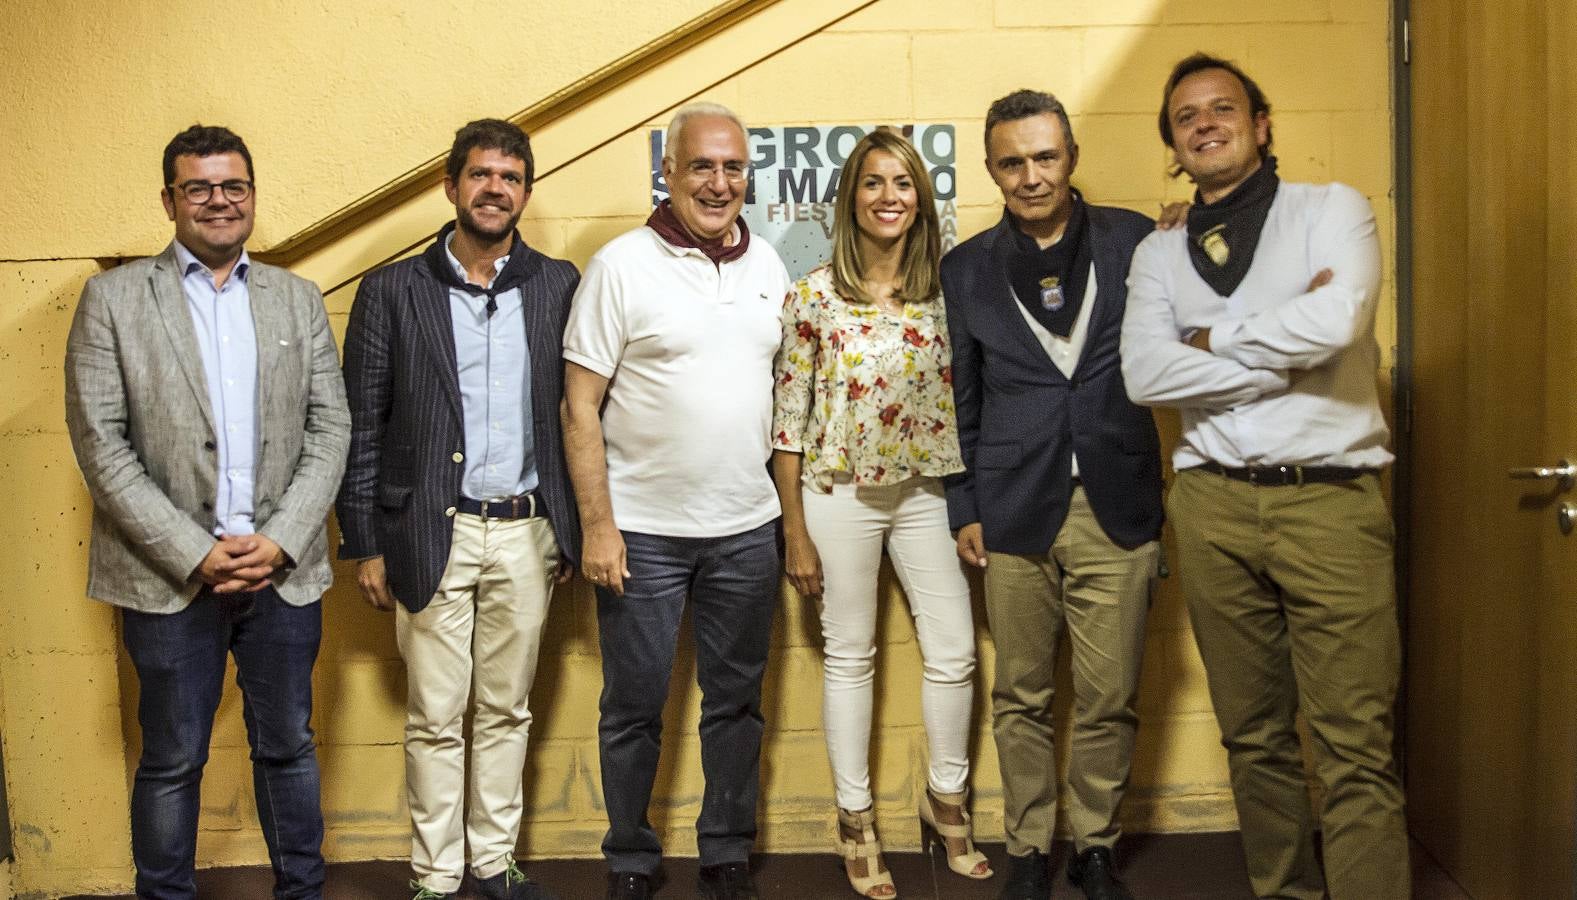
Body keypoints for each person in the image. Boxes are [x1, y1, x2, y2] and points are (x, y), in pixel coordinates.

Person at [1120, 54, 1408, 900]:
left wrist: (1206, 344)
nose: (1204, 123)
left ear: (1260, 124)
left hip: (1329, 503)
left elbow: (1339, 320)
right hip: (1209, 503)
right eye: (1185, 117)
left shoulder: (1332, 210)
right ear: (1173, 146)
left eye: (1222, 108)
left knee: (1355, 742)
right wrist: (1283, 358)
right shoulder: (1159, 251)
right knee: (1253, 737)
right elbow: (1144, 375)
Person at [63, 124, 350, 900]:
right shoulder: (113, 300)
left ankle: (302, 892)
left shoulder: (296, 298)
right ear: (169, 200)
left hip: (280, 575)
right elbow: (100, 442)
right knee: (172, 758)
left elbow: (331, 429)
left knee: (288, 745)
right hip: (168, 581)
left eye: (233, 187)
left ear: (252, 197)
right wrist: (194, 550)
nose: (218, 202)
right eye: (199, 187)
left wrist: (283, 540)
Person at [336, 118, 578, 900]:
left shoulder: (557, 286)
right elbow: (360, 422)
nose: (494, 189)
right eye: (480, 175)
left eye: (509, 178)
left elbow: (579, 418)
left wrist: (570, 530)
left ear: (526, 193)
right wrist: (364, 542)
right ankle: (436, 874)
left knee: (506, 711)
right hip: (426, 530)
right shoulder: (393, 291)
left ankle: (492, 858)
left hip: (526, 531)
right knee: (435, 716)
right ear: (450, 186)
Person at [561, 102, 791, 900]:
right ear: (668, 171)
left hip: (745, 529)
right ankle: (629, 856)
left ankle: (725, 849)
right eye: (701, 166)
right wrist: (598, 527)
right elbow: (578, 405)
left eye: (732, 167)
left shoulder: (767, 264)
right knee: (632, 707)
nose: (718, 182)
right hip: (645, 535)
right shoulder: (620, 265)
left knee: (735, 704)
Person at [942, 90, 1165, 900]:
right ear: (991, 170)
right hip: (1010, 509)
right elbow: (958, 400)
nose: (1030, 176)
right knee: (1021, 695)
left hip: (1118, 500)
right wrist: (962, 505)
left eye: (1044, 157)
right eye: (1012, 162)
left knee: (1110, 696)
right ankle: (1029, 846)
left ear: (1069, 156)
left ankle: (1095, 845)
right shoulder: (964, 267)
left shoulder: (1136, 239)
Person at [771, 129, 991, 899]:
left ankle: (947, 800)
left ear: (920, 199)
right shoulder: (811, 295)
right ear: (849, 198)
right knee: (850, 655)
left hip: (929, 491)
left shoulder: (947, 294)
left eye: (902, 182)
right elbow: (787, 423)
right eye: (872, 183)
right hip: (838, 495)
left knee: (955, 651)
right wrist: (793, 528)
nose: (888, 196)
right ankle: (855, 820)